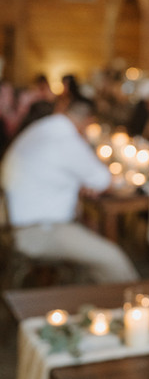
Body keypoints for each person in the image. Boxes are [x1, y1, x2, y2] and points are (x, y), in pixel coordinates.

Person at [1, 98, 140, 283]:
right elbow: (104, 180)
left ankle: (93, 298)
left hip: (14, 224)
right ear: (89, 121)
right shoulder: (66, 139)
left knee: (91, 229)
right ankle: (129, 304)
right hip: (36, 230)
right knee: (113, 259)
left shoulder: (43, 128)